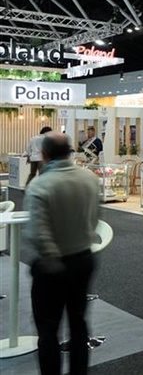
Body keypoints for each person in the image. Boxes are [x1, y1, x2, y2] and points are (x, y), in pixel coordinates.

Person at [24, 132, 101, 374]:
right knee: (78, 322)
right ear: (69, 152)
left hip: (52, 267)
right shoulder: (89, 179)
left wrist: (52, 260)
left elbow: (37, 233)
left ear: (44, 155)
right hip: (84, 259)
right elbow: (95, 218)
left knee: (48, 329)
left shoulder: (40, 185)